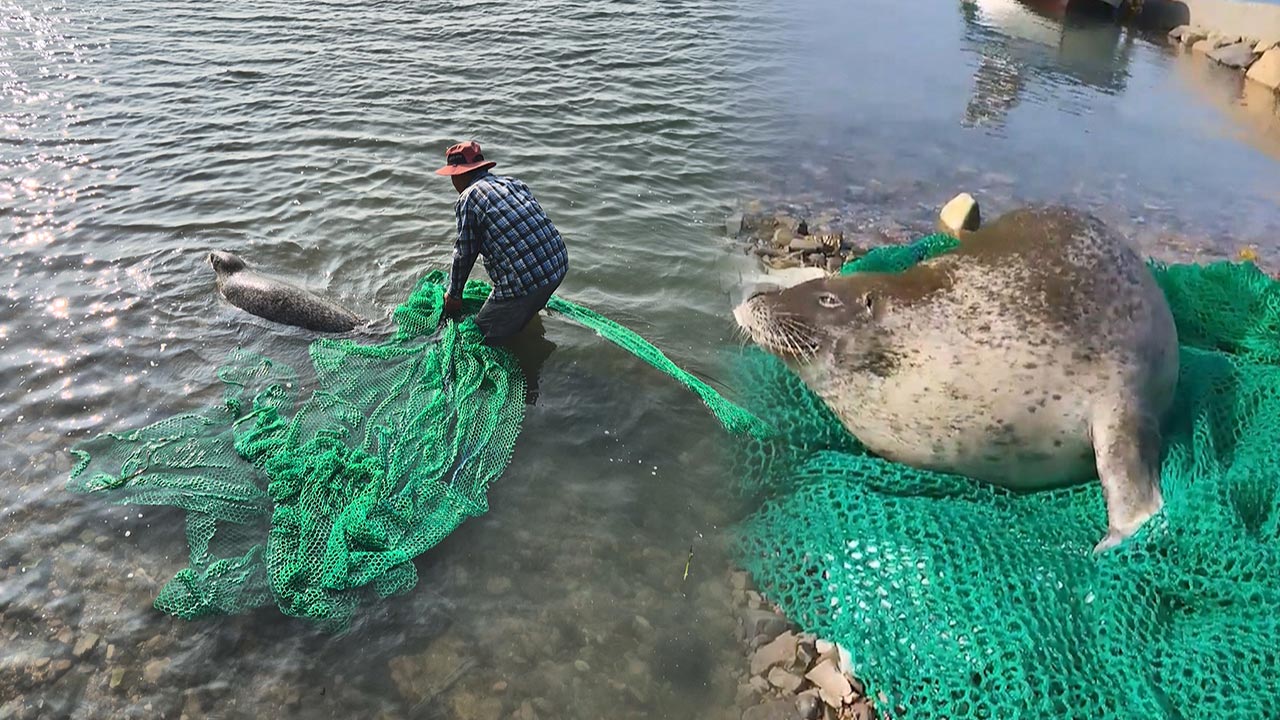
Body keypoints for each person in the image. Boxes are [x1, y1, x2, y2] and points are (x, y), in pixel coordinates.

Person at [435, 140, 569, 346]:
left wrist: (453, 295)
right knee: (523, 314)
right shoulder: (512, 183)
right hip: (557, 266)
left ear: (459, 174)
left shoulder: (468, 198)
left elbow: (464, 252)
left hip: (527, 280)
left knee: (478, 338)